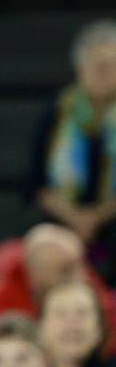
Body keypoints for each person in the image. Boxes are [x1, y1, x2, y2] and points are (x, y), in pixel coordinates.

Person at [29, 19, 116, 272]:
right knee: (40, 236)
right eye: (95, 65)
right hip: (63, 214)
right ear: (80, 69)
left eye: (110, 65)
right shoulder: (57, 110)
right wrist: (74, 217)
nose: (103, 72)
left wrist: (96, 217)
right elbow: (36, 181)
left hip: (111, 216)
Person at [0, 220, 116, 344]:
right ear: (36, 276)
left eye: (82, 264)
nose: (80, 277)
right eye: (65, 270)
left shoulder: (87, 284)